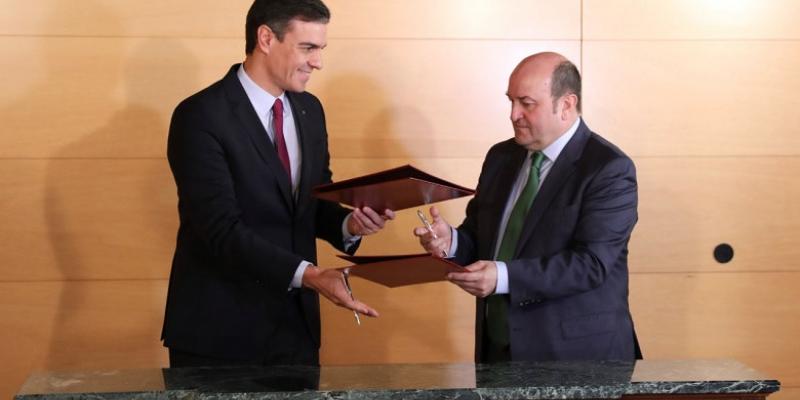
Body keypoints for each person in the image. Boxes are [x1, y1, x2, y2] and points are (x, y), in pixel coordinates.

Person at [162, 0, 394, 367]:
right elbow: (220, 230)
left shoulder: (310, 110)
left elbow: (313, 203)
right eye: (308, 48)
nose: (317, 62)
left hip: (295, 332)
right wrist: (312, 276)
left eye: (321, 49)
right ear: (266, 38)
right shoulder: (200, 115)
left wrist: (351, 224)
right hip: (219, 335)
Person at [414, 52, 641, 363]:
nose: (513, 114)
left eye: (526, 103)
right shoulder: (501, 157)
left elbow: (591, 264)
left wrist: (503, 277)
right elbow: (483, 243)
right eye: (510, 101)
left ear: (566, 105)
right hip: (498, 352)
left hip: (576, 358)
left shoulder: (608, 168)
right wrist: (450, 240)